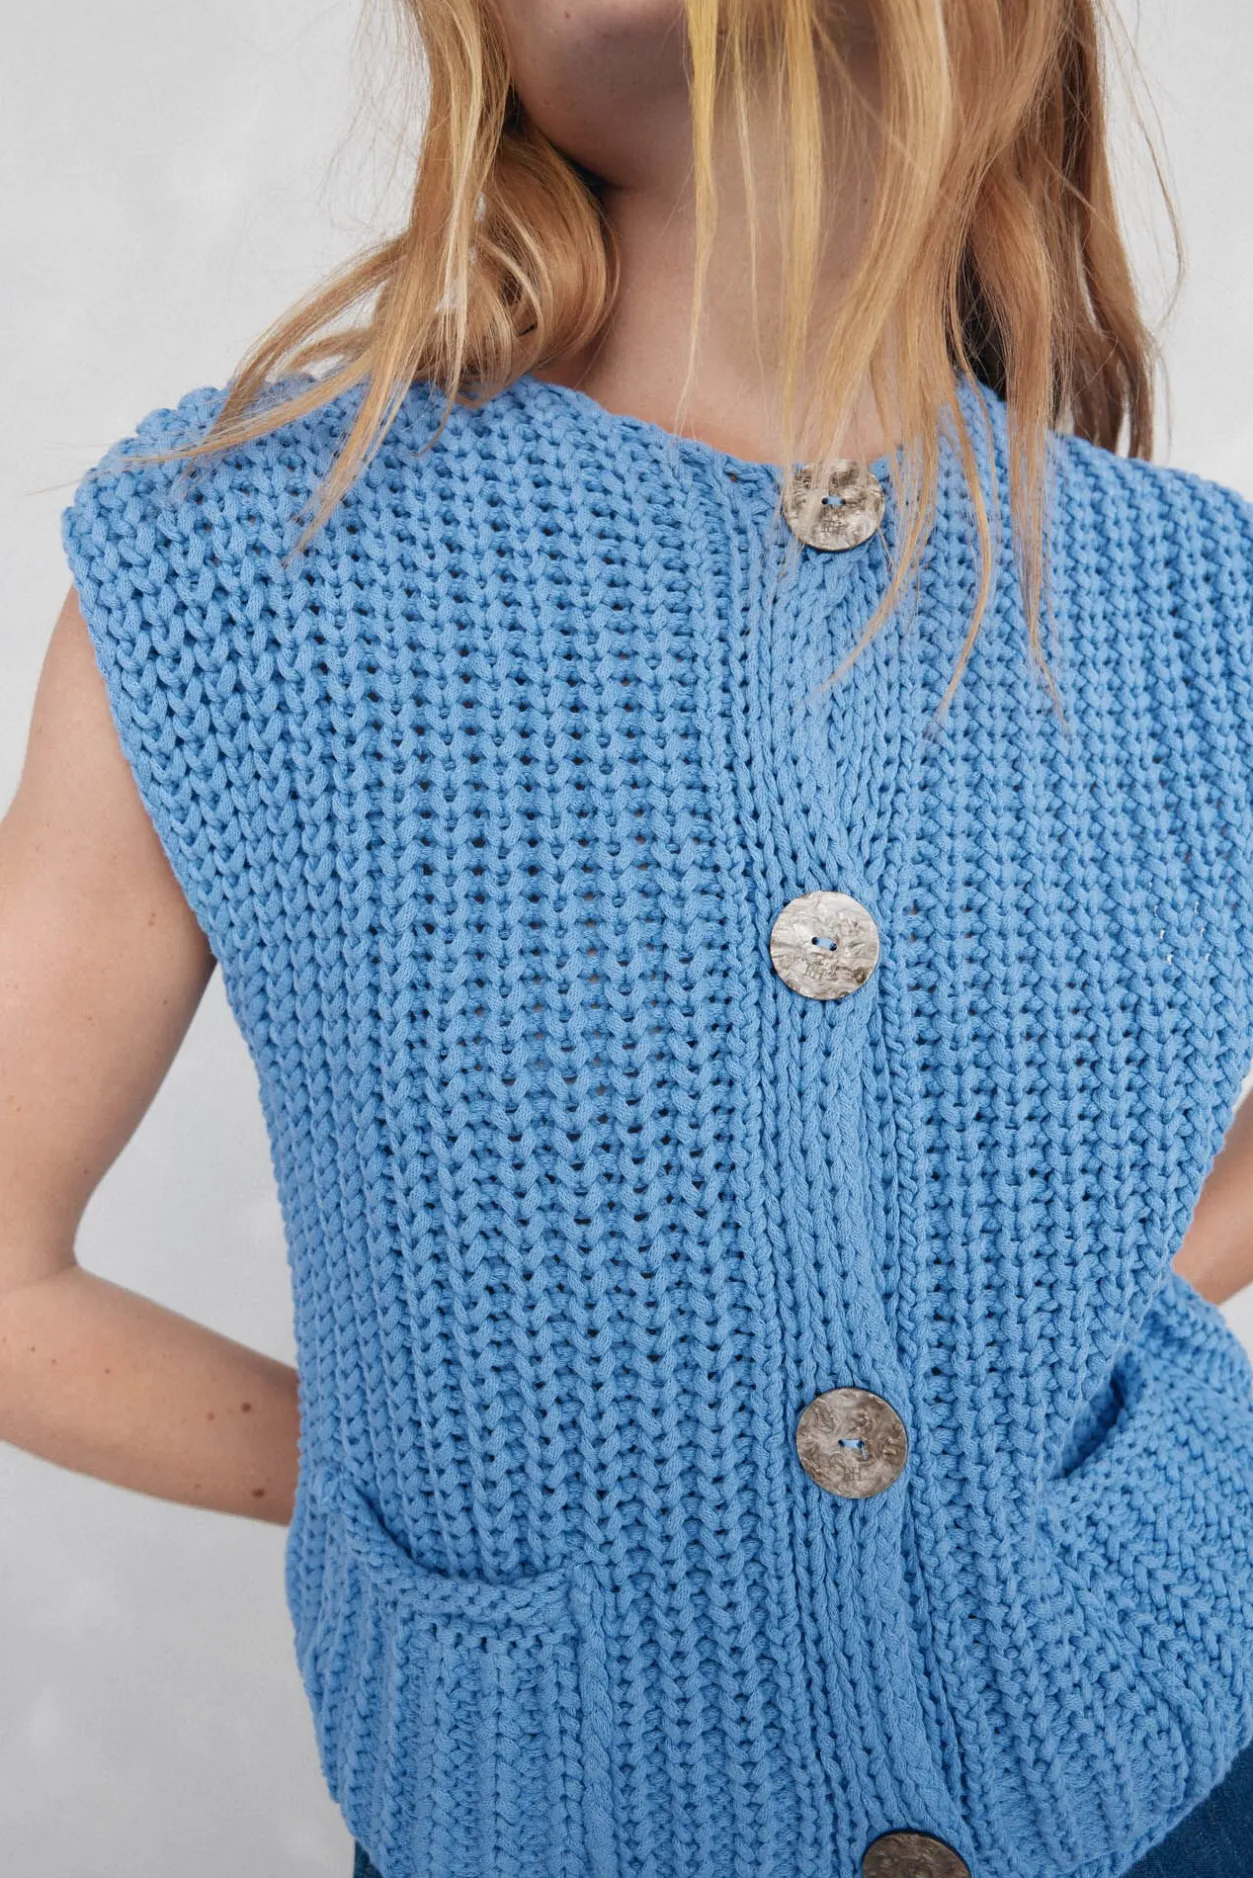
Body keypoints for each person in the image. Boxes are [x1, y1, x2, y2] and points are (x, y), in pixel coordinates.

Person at [5, 2, 1253, 1875]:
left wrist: (1045, 1316)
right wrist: (421, 1480)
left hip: (1166, 1766)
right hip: (557, 1809)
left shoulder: (1203, 604)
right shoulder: (244, 565)